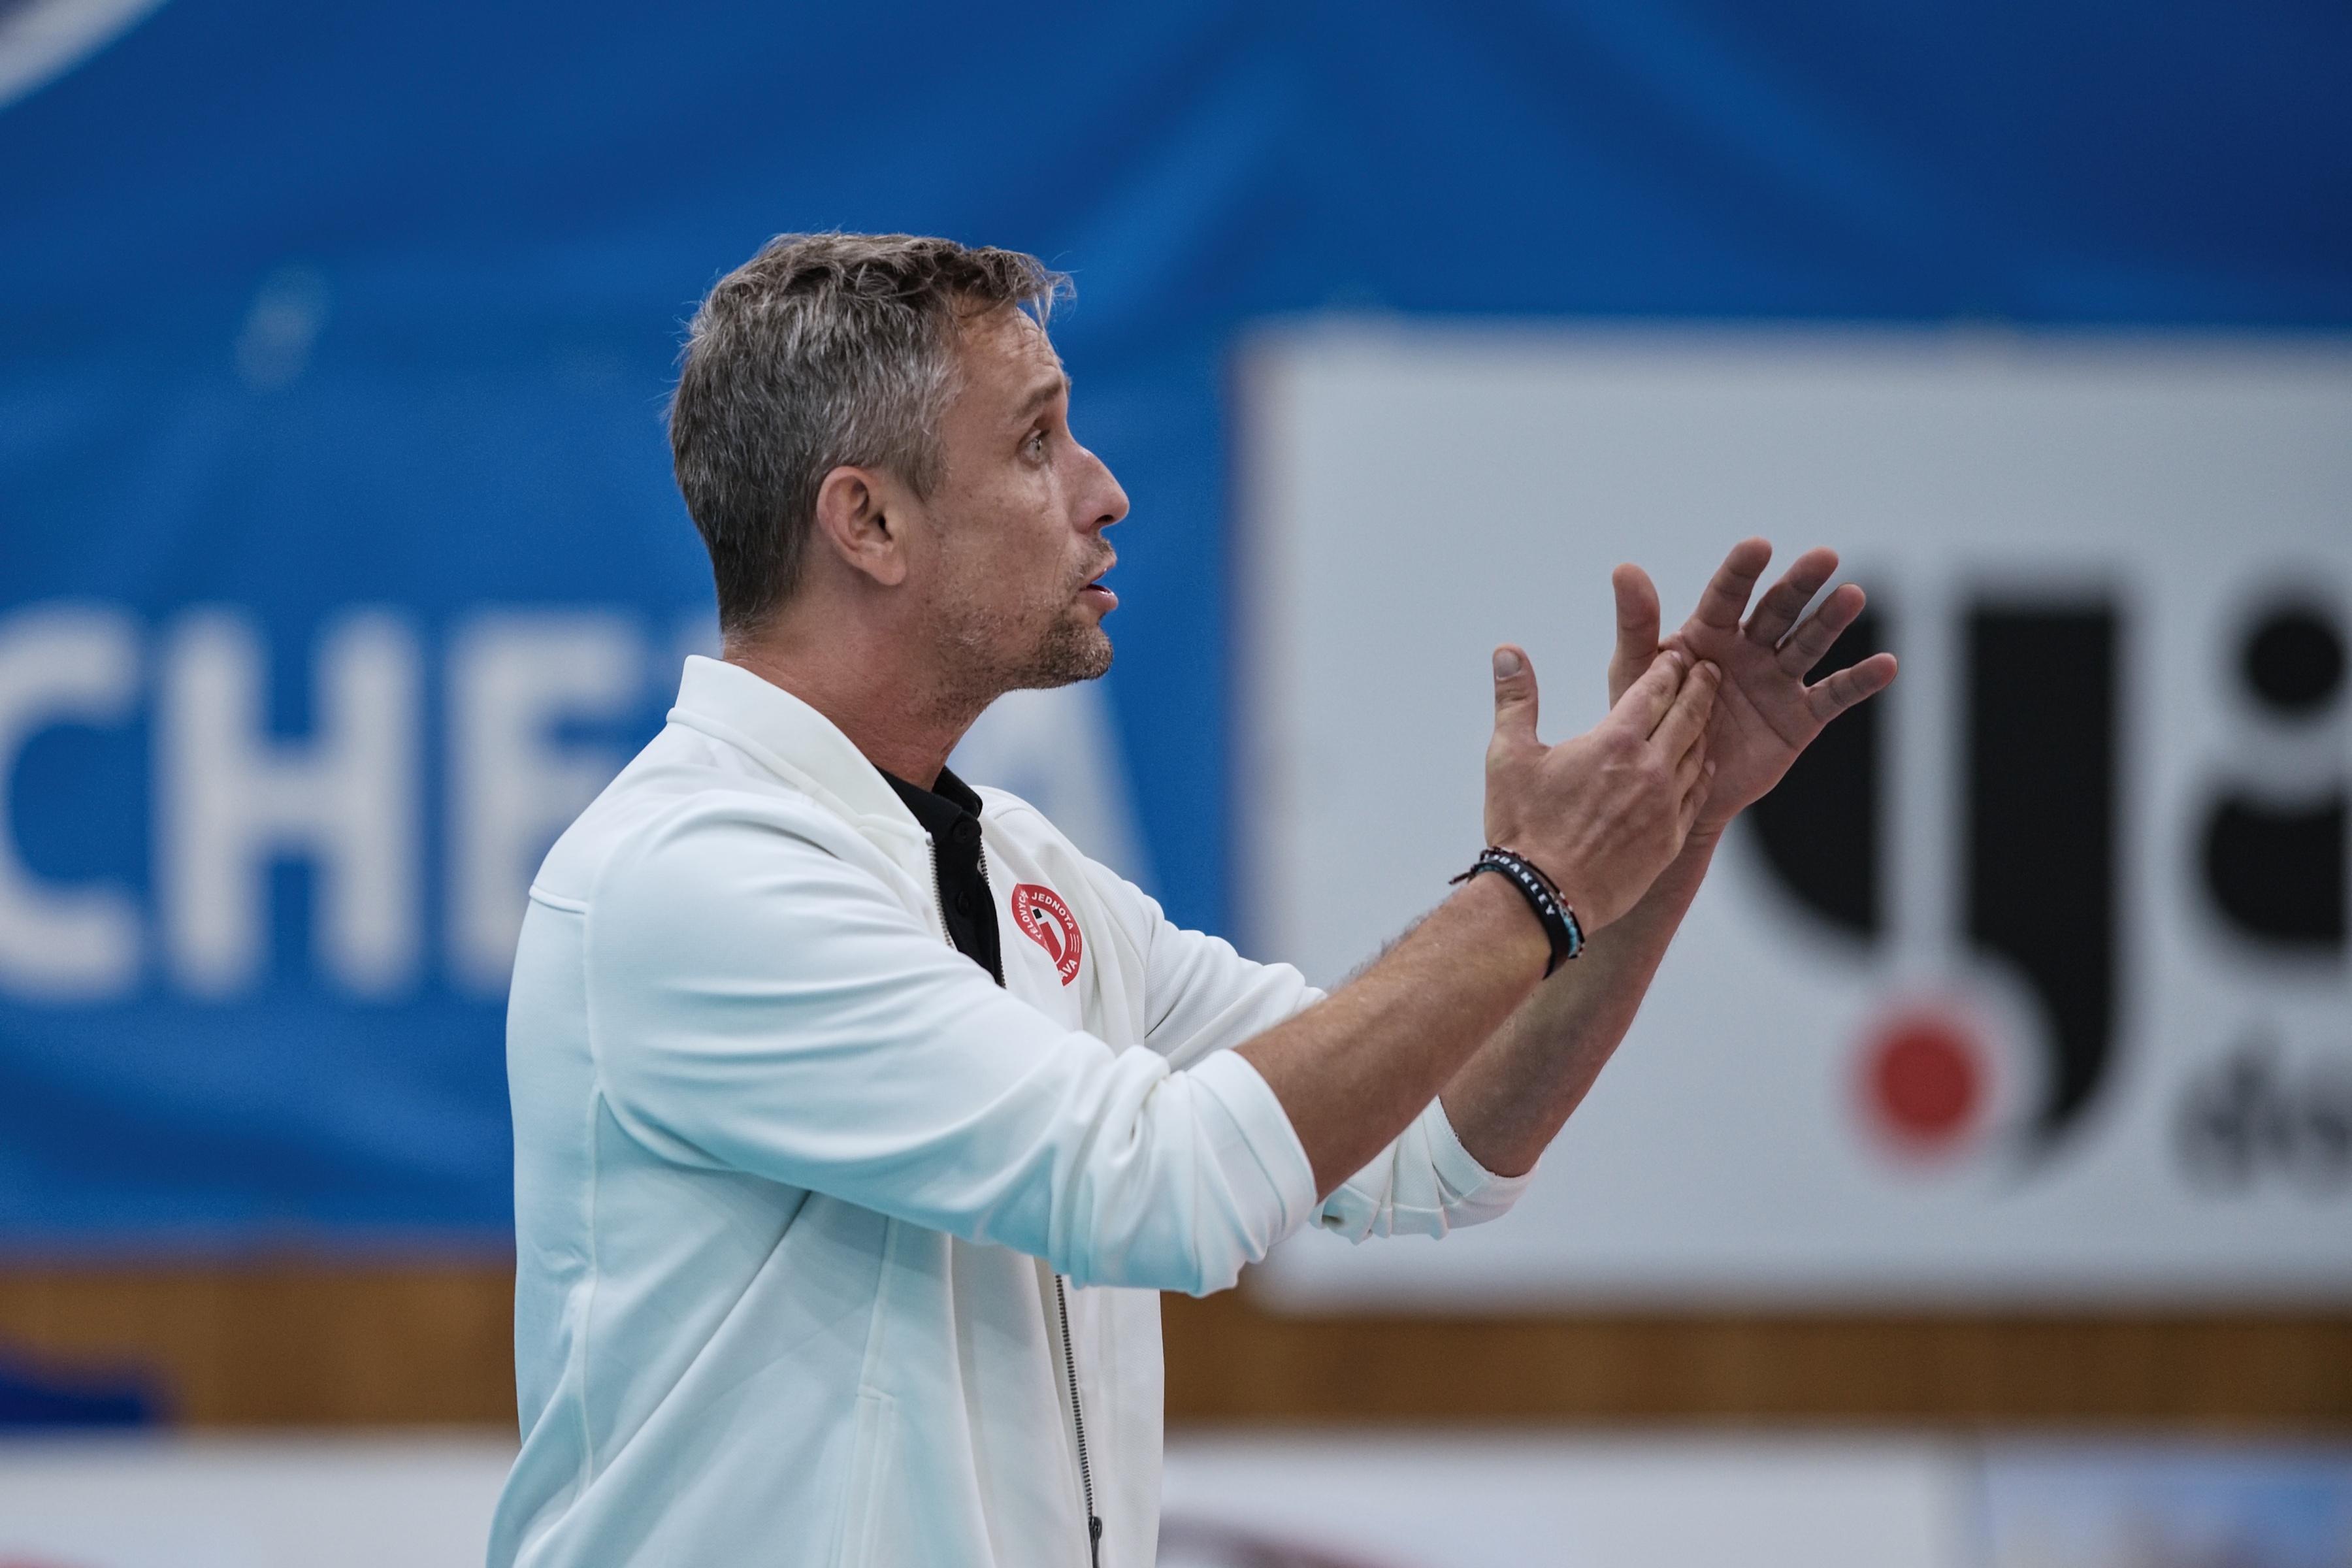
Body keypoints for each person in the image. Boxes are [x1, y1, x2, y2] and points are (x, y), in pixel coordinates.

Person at [486, 233, 1896, 1568]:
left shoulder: (1019, 870)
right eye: (1035, 442)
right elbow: (1156, 1184)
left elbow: (1428, 1150)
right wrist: (1533, 886)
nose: (1102, 491)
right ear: (869, 521)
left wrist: (1658, 842)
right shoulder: (694, 879)